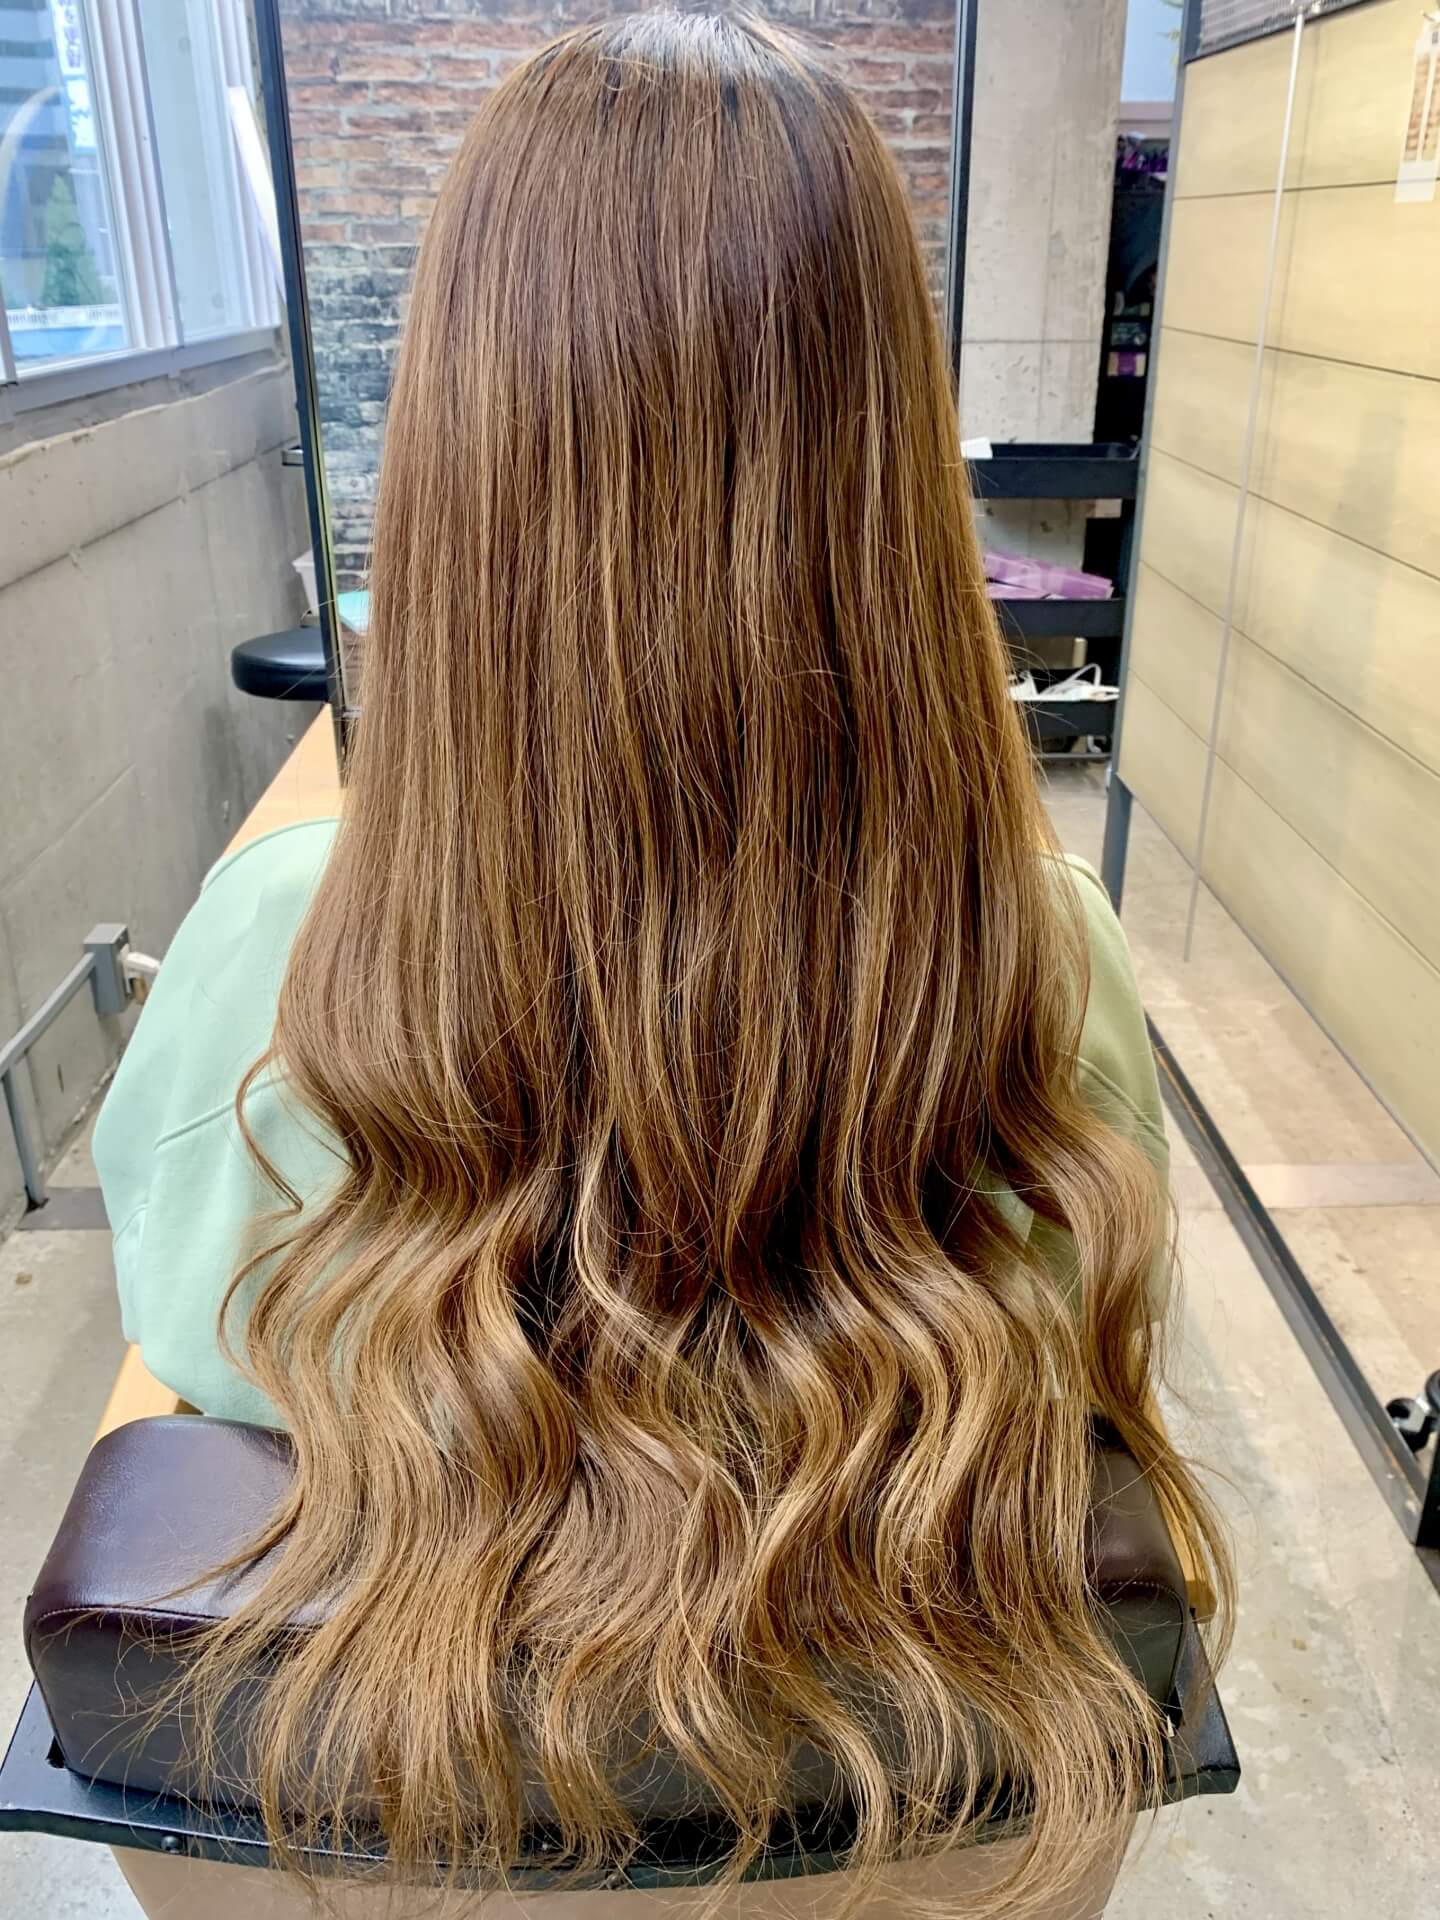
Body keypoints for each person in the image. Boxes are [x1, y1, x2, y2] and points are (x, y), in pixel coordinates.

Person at [94, 13, 1227, 1917]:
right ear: (884, 467)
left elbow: (197, 1335)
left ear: (459, 458)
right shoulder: (1037, 950)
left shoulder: (276, 941)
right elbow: (1076, 1348)